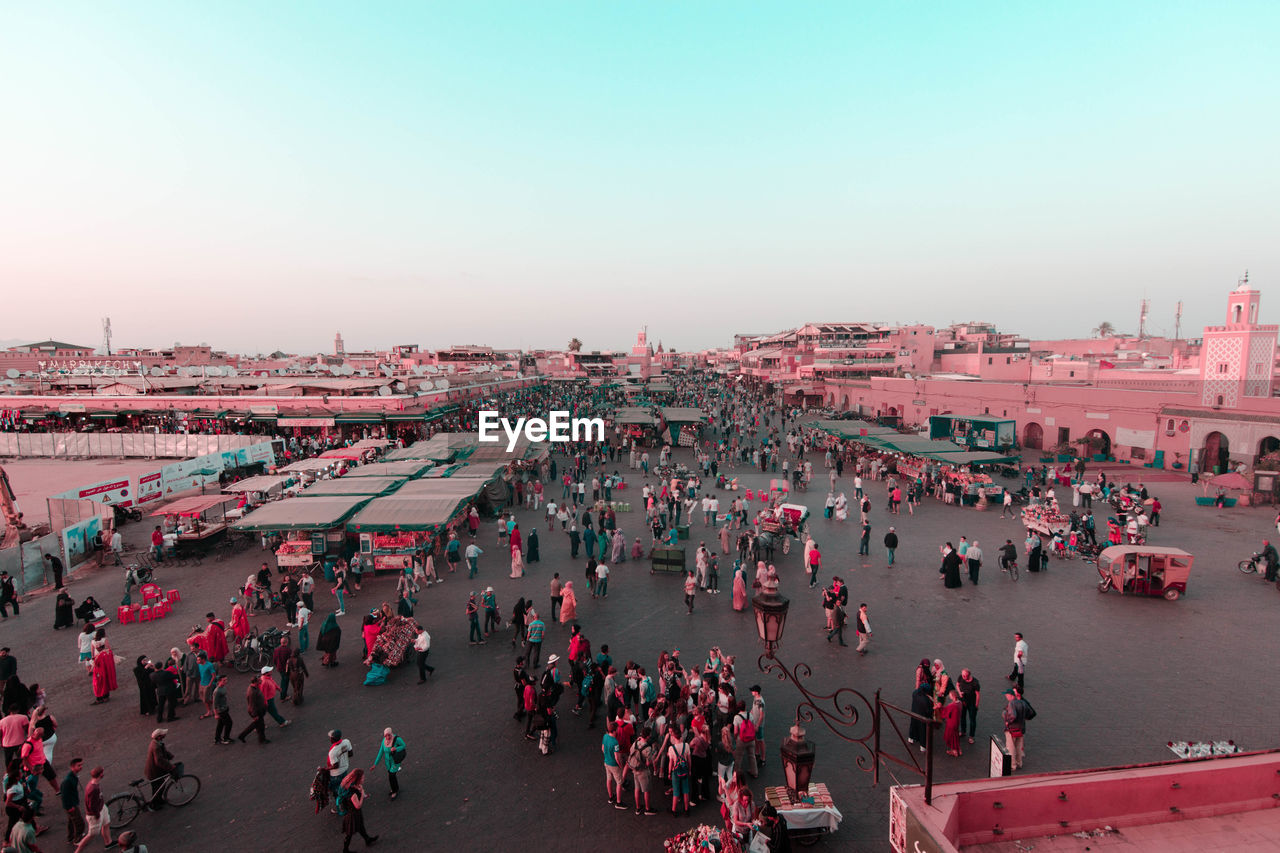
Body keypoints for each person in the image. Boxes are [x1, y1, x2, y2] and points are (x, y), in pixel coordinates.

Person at [337, 769, 378, 851]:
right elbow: (358, 806)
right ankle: (345, 850)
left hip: (354, 813)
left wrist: (362, 791)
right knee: (349, 833)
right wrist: (362, 795)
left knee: (360, 826)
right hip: (352, 815)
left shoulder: (352, 786)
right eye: (362, 777)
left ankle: (367, 839)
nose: (364, 779)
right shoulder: (353, 793)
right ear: (357, 779)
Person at [71, 766, 109, 853]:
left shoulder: (94, 784)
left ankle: (108, 842)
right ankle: (78, 851)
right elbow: (91, 805)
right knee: (92, 834)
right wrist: (97, 815)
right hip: (95, 814)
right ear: (100, 774)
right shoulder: (93, 789)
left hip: (101, 808)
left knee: (106, 823)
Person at [144, 729, 180, 808]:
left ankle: (159, 800)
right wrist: (171, 767)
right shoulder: (156, 747)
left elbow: (163, 751)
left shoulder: (156, 743)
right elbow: (159, 761)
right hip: (154, 772)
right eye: (163, 735)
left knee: (159, 786)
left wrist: (169, 755)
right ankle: (154, 804)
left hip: (154, 770)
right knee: (157, 788)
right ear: (159, 737)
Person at [370, 728, 406, 800]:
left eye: (389, 735)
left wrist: (396, 749)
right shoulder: (384, 741)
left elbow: (403, 745)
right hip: (388, 763)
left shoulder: (397, 739)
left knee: (391, 776)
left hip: (395, 761)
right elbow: (380, 753)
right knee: (392, 775)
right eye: (386, 736)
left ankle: (394, 791)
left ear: (391, 734)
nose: (388, 737)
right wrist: (375, 764)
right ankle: (395, 788)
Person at [236, 675, 269, 744]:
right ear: (256, 682)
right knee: (260, 726)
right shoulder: (252, 692)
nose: (261, 681)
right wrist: (255, 715)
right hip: (256, 711)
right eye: (259, 680)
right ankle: (261, 739)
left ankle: (243, 736)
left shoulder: (254, 688)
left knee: (257, 725)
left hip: (258, 710)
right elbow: (252, 704)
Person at [60, 756, 85, 845]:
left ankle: (70, 837)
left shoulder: (72, 777)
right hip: (71, 805)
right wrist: (69, 807)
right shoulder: (68, 780)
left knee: (71, 822)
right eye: (79, 765)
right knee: (79, 822)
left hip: (72, 803)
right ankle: (77, 839)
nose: (81, 767)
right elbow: (64, 796)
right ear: (73, 766)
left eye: (81, 765)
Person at [1001, 689, 1028, 770]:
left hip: (1012, 729)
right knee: (1019, 746)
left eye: (1007, 695)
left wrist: (1007, 722)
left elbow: (1013, 715)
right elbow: (1030, 713)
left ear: (1011, 695)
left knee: (1011, 747)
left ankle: (1012, 765)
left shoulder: (1011, 704)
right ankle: (1019, 763)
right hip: (1021, 729)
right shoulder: (1023, 702)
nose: (1006, 697)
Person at [957, 668, 980, 745]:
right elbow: (957, 684)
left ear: (969, 675)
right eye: (962, 675)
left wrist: (976, 705)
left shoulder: (975, 683)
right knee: (962, 717)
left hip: (971, 703)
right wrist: (959, 692)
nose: (963, 677)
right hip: (963, 701)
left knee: (972, 720)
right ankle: (963, 731)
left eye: (965, 676)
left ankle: (971, 736)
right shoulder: (961, 677)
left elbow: (977, 694)